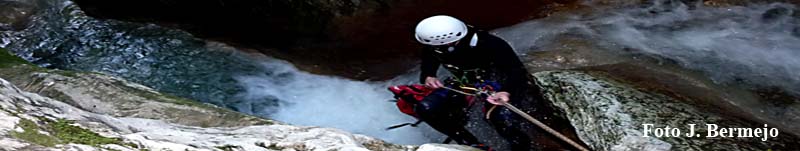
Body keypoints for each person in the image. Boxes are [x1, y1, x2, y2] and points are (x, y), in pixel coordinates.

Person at [413, 15, 533, 150]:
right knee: (426, 108)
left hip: (500, 84)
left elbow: (516, 70)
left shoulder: (489, 43)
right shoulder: (434, 47)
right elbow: (429, 63)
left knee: (501, 118)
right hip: (466, 84)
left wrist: (506, 91)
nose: (443, 48)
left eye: (447, 45)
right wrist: (429, 76)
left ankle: (522, 147)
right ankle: (470, 144)